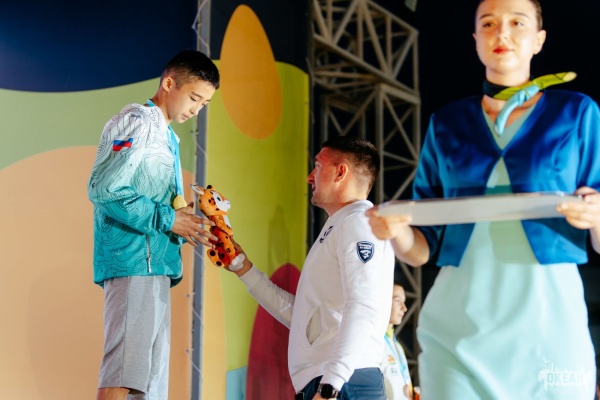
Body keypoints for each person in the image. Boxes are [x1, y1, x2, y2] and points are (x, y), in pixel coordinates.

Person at [366, 0, 599, 399]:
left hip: (551, 329)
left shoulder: (576, 113)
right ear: (475, 39)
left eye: (517, 22)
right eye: (488, 23)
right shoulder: (447, 123)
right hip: (458, 333)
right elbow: (422, 249)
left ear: (539, 39)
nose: (501, 32)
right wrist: (394, 230)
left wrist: (596, 214)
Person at [88, 50, 220, 400]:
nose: (197, 109)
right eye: (194, 98)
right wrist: (170, 218)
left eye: (205, 103)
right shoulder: (138, 120)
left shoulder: (167, 135)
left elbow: (149, 199)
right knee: (123, 375)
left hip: (155, 268)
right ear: (169, 83)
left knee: (146, 386)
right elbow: (104, 188)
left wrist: (186, 218)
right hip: (135, 264)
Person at [228, 136, 395, 399]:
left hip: (342, 383)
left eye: (317, 166)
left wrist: (331, 386)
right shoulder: (342, 224)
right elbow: (303, 318)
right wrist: (244, 269)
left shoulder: (357, 224)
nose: (309, 177)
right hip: (333, 381)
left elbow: (363, 306)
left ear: (340, 172)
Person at [381, 282, 414, 400]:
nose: (404, 308)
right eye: (397, 300)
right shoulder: (373, 342)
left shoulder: (397, 345)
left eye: (404, 302)